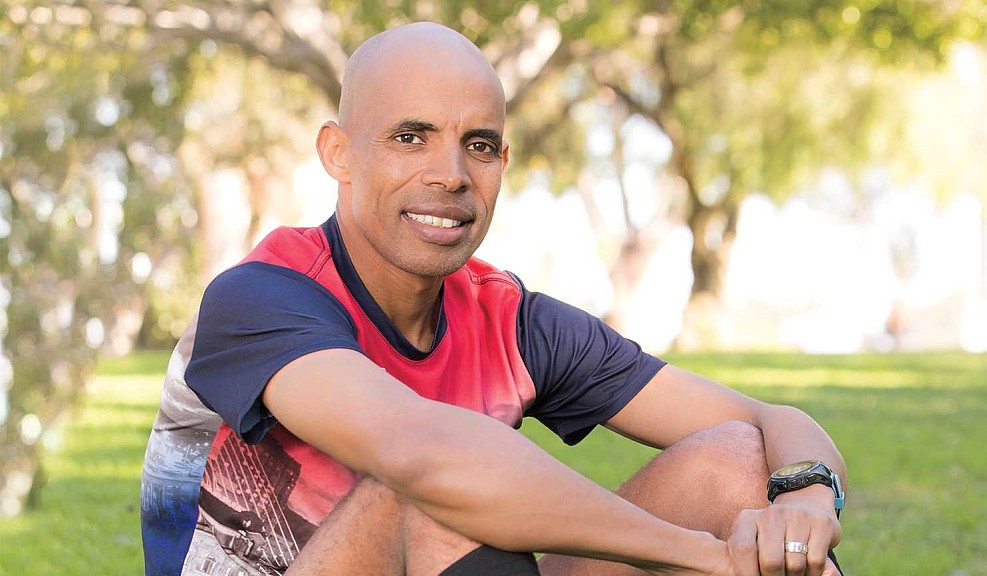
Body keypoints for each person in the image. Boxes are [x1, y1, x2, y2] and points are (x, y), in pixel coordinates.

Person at [140, 21, 847, 576]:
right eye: (410, 137)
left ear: (502, 162)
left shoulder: (512, 322)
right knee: (428, 491)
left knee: (732, 461)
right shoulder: (259, 298)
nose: (450, 174)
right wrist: (703, 557)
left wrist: (810, 498)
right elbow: (421, 455)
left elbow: (768, 423)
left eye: (478, 146)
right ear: (338, 153)